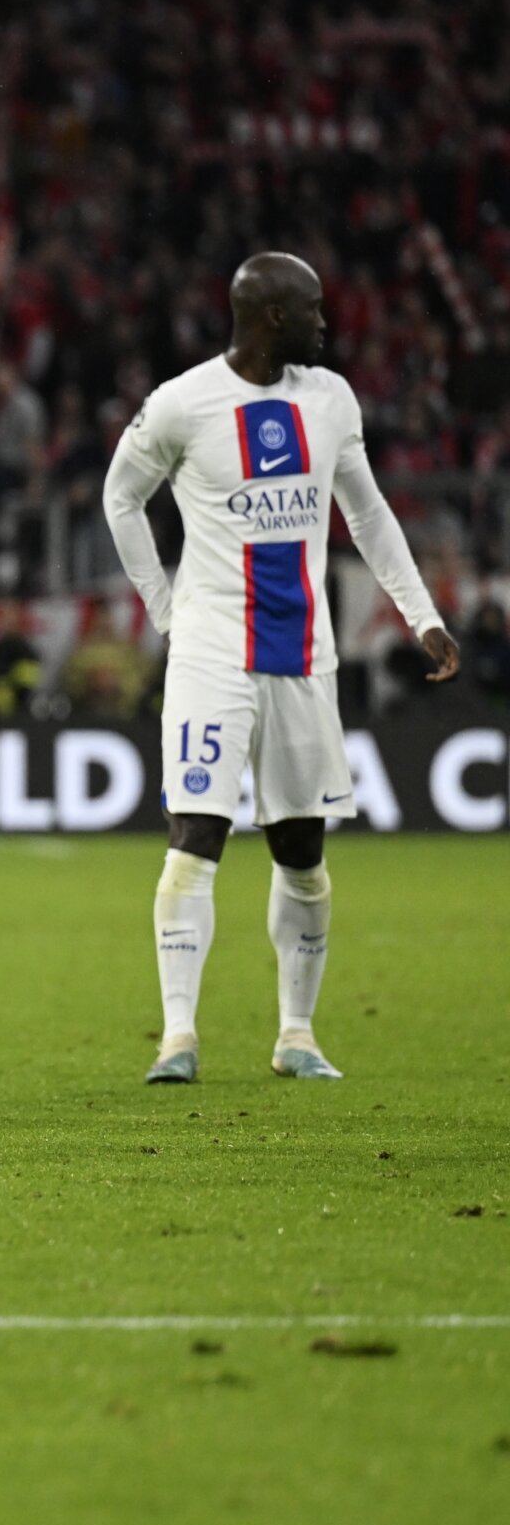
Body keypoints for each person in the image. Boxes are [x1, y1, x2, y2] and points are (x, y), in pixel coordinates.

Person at [104, 252, 456, 1085]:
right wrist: (166, 612)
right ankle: (177, 1038)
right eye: (312, 310)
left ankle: (297, 1035)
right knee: (196, 834)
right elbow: (121, 498)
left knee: (301, 851)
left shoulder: (330, 399)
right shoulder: (182, 403)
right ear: (271, 317)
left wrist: (423, 614)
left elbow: (368, 515)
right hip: (212, 652)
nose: (325, 324)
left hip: (302, 657)